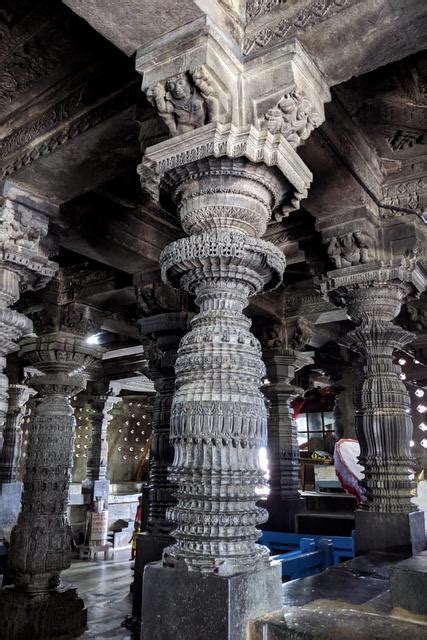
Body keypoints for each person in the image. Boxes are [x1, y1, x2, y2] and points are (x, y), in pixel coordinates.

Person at [130, 495, 143, 560]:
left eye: (140, 501)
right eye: (139, 501)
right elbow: (137, 514)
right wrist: (135, 520)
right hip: (138, 520)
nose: (139, 502)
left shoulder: (144, 507)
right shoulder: (138, 507)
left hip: (141, 521)